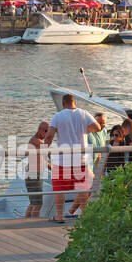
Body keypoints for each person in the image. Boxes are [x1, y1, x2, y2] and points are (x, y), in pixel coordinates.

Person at [43, 94, 99, 222]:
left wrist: (44, 149)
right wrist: (85, 129)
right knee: (83, 187)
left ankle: (59, 215)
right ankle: (85, 214)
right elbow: (97, 127)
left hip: (63, 159)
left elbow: (49, 136)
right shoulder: (84, 113)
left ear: (63, 104)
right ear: (75, 103)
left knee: (59, 189)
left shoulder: (58, 116)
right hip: (81, 158)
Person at [23, 121, 49, 219]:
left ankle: (26, 223)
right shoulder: (36, 141)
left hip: (34, 175)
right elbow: (47, 150)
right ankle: (34, 224)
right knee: (38, 204)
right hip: (34, 175)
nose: (47, 134)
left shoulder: (37, 141)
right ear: (40, 130)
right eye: (46, 131)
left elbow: (43, 159)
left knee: (33, 203)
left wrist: (52, 167)